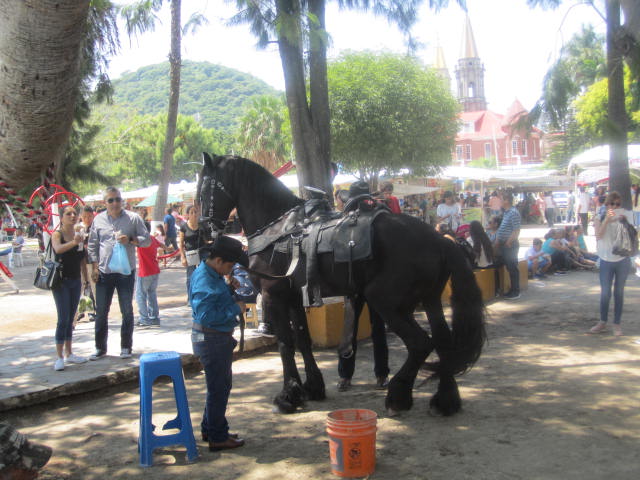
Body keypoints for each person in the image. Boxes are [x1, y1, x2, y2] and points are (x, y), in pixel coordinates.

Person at [190, 235, 249, 452]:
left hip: (213, 338)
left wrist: (228, 288)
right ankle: (217, 436)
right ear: (218, 261)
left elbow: (213, 300)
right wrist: (236, 308)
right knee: (218, 388)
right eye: (230, 265)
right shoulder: (206, 280)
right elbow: (206, 315)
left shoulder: (211, 274)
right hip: (212, 339)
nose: (231, 269)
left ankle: (212, 428)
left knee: (217, 386)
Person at [87, 186, 151, 360]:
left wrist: (130, 240)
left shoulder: (133, 218)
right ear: (104, 203)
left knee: (127, 310)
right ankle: (100, 348)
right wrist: (93, 268)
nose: (115, 203)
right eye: (111, 200)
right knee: (101, 312)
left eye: (118, 199)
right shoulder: (98, 220)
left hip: (125, 272)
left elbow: (147, 240)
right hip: (104, 272)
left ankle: (126, 346)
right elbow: (92, 244)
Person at [589, 191, 633, 336]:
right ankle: (602, 321)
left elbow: (632, 235)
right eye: (612, 203)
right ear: (607, 204)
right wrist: (607, 220)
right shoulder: (599, 216)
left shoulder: (626, 214)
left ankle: (617, 324)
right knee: (605, 293)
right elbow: (598, 236)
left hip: (622, 259)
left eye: (618, 204)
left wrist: (624, 221)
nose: (615, 206)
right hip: (606, 259)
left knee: (619, 292)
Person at [51, 205, 87, 371]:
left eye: (74, 213)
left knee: (72, 317)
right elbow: (58, 249)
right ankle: (59, 357)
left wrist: (85, 278)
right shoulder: (57, 234)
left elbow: (82, 259)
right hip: (61, 281)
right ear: (61, 217)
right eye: (68, 214)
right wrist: (74, 242)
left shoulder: (79, 235)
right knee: (63, 318)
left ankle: (69, 352)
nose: (72, 216)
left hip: (75, 280)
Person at [337, 303, 389, 392]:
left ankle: (382, 375)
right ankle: (345, 375)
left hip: (375, 290)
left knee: (378, 328)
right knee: (349, 328)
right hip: (352, 290)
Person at [494, 192, 521, 299]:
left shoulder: (513, 212)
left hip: (510, 245)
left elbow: (516, 230)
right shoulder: (506, 212)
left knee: (512, 268)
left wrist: (509, 241)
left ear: (506, 201)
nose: (499, 201)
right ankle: (505, 289)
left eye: (501, 199)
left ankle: (515, 291)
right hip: (503, 244)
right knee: (505, 266)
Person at [136, 227, 163, 327]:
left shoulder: (140, 240)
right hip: (155, 270)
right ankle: (154, 318)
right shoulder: (152, 238)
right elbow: (161, 245)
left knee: (140, 295)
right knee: (151, 294)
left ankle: (144, 319)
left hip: (145, 271)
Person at [179, 204, 206, 304]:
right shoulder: (184, 227)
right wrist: (182, 257)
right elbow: (181, 243)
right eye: (192, 212)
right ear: (188, 215)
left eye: (196, 212)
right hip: (190, 254)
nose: (194, 214)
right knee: (190, 276)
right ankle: (190, 298)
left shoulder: (202, 226)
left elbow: (205, 240)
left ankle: (202, 295)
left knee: (203, 275)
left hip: (202, 253)